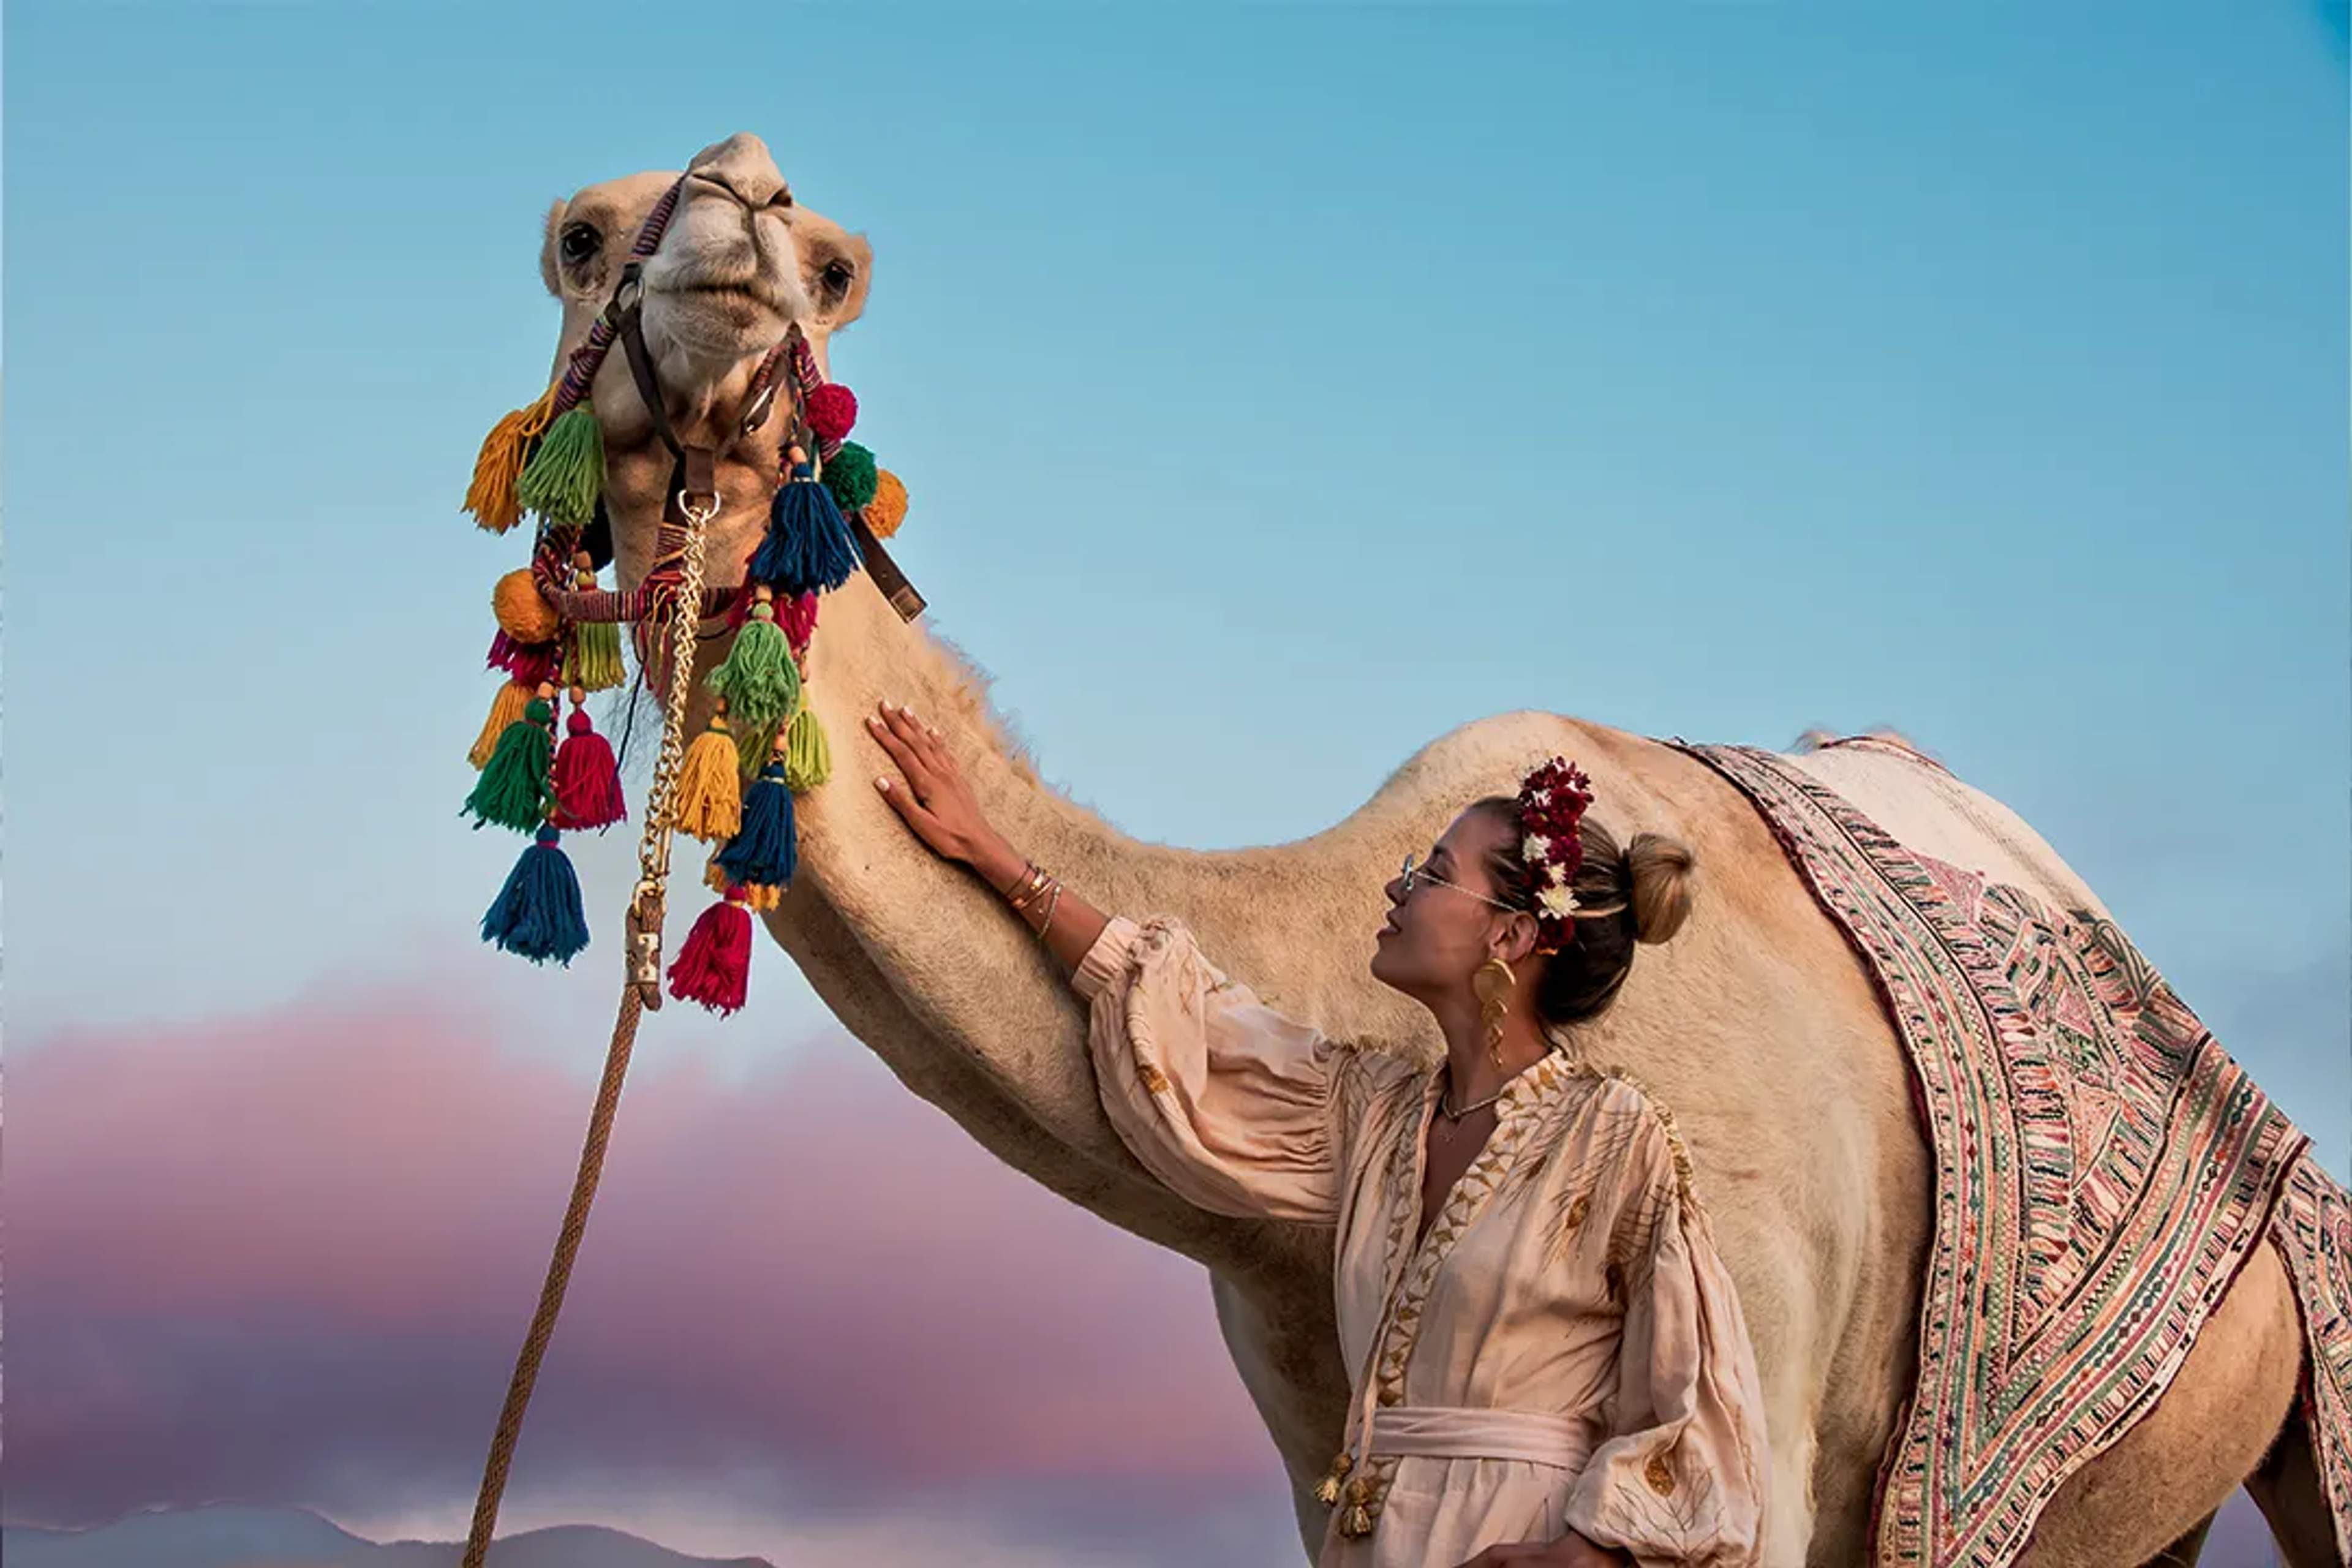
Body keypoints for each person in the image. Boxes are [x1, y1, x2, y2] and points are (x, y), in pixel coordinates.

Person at [864, 699, 1768, 1568]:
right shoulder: (1377, 1116)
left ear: (1511, 933)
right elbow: (1202, 1026)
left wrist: (1598, 1550)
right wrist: (993, 856)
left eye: (1432, 871)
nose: (1399, 885)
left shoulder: (1611, 1136)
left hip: (1514, 1536)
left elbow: (1698, 1398)